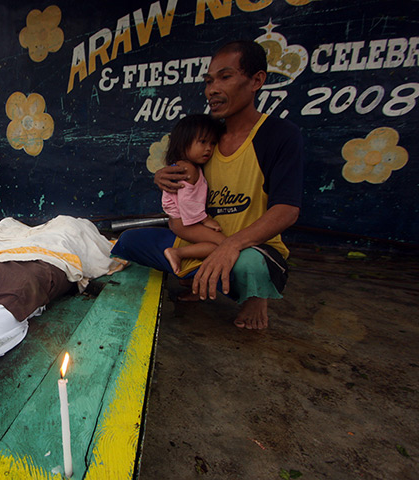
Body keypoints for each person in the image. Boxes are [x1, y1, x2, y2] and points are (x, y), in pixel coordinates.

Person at [112, 40, 304, 330]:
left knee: (251, 265)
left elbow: (287, 210)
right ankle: (195, 276)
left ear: (256, 80)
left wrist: (231, 245)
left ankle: (253, 296)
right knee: (129, 241)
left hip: (250, 249)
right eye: (209, 81)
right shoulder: (207, 138)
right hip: (200, 241)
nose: (212, 89)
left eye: (225, 77)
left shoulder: (279, 135)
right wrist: (163, 177)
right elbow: (182, 196)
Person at [160, 114, 224, 277]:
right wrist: (205, 220)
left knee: (218, 244)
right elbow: (186, 201)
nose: (208, 148)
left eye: (212, 143)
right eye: (202, 142)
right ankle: (178, 253)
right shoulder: (188, 168)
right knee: (224, 245)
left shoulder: (185, 166)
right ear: (183, 144)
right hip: (184, 222)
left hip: (179, 221)